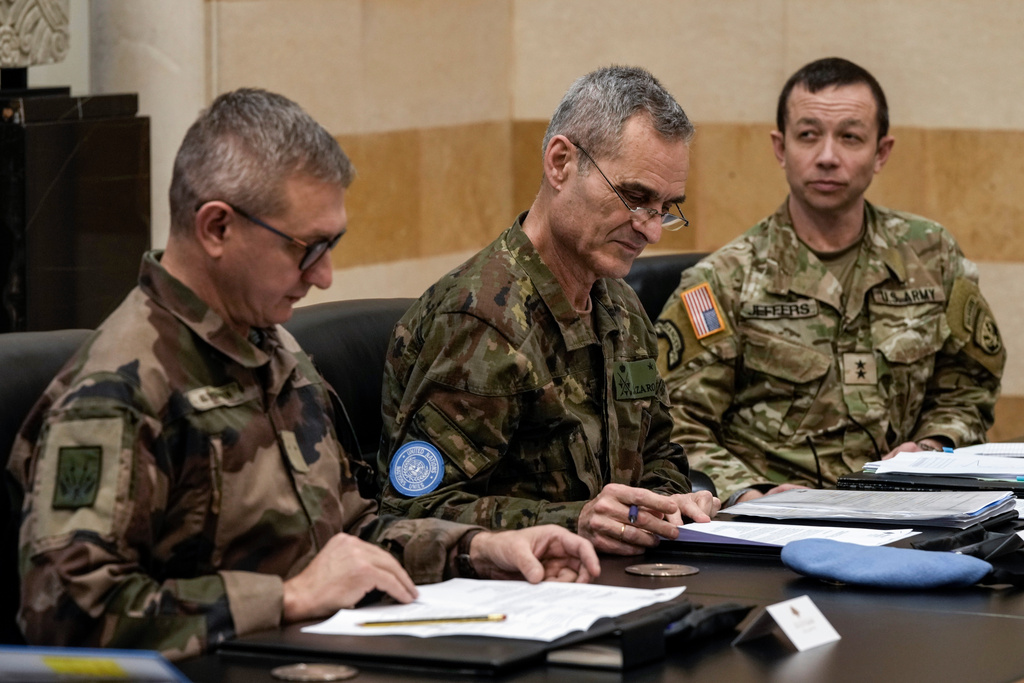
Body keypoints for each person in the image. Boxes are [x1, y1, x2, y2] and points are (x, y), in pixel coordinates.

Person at [5, 88, 600, 661]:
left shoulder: (276, 352)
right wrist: (286, 598)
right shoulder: (119, 390)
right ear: (216, 227)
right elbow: (66, 615)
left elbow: (348, 534)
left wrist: (478, 549)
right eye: (306, 247)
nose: (325, 276)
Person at [378, 66, 721, 556]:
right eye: (635, 197)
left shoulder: (618, 303)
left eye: (665, 207)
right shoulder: (480, 320)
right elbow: (411, 511)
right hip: (517, 599)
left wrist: (667, 504)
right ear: (560, 163)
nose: (652, 231)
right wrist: (577, 522)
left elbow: (658, 453)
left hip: (619, 577)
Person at [654, 57, 1005, 506]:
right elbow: (675, 424)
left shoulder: (932, 254)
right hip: (776, 526)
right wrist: (752, 493)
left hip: (912, 511)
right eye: (808, 135)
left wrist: (933, 447)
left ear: (881, 152)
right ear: (781, 148)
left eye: (850, 137)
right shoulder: (724, 281)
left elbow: (969, 383)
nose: (827, 156)